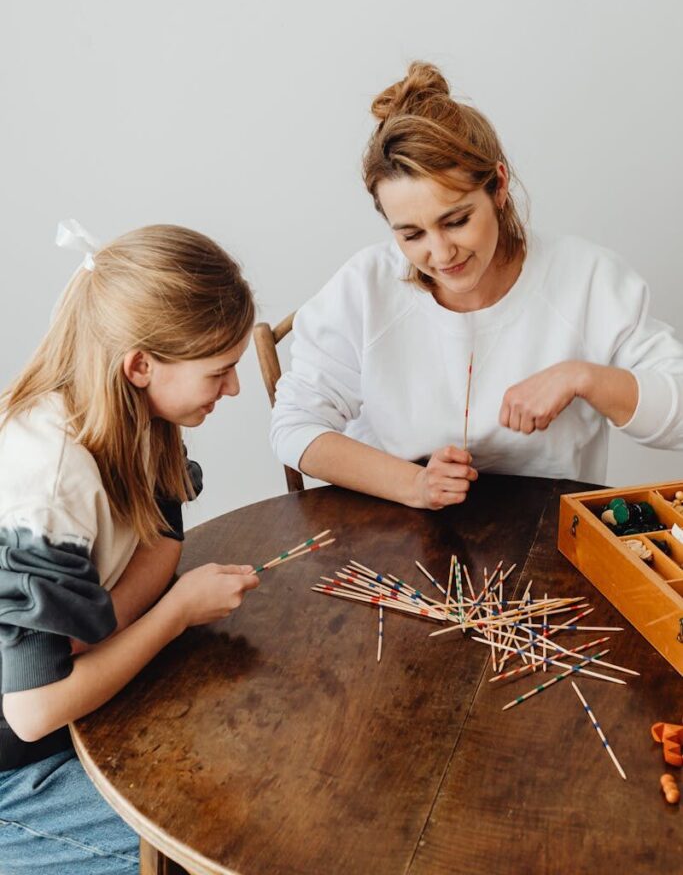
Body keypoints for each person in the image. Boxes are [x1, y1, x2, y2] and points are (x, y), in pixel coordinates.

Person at [271, 61, 683, 509]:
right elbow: (294, 426)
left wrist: (584, 377)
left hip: (550, 543)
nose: (442, 253)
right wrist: (412, 484)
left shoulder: (586, 279)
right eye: (411, 235)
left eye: (457, 220)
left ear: (499, 186)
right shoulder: (364, 288)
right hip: (397, 538)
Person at [0, 221, 260, 874]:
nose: (233, 390)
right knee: (221, 839)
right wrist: (170, 614)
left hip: (71, 717)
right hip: (17, 768)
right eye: (220, 371)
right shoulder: (49, 484)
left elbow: (161, 549)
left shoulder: (138, 417)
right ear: (141, 364)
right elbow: (35, 709)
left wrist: (91, 632)